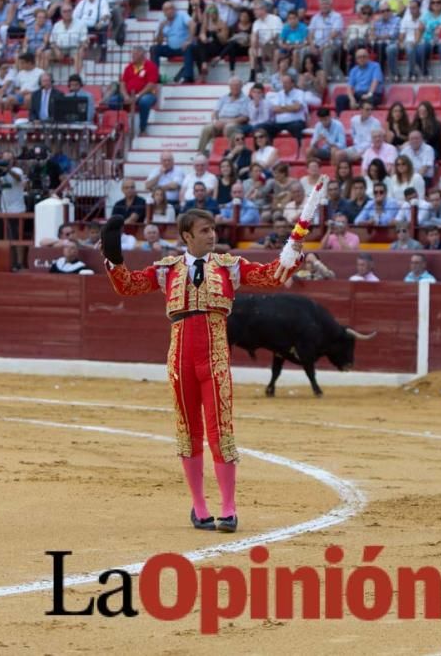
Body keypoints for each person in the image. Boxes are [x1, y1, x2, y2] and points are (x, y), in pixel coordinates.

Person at [98, 209, 304, 534]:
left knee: (220, 431)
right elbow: (129, 286)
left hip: (215, 358)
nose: (212, 235)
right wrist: (113, 255)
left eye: (214, 229)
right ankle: (200, 507)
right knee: (188, 432)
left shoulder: (229, 266)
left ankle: (229, 508)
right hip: (179, 359)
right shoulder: (167, 269)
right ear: (187, 236)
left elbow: (272, 275)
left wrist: (292, 254)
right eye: (205, 230)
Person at [197, 77, 250, 154]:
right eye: (233, 85)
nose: (235, 87)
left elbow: (245, 118)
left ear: (241, 86)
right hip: (220, 122)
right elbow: (215, 112)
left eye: (237, 85)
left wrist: (226, 122)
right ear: (229, 87)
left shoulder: (246, 99)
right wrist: (215, 121)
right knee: (207, 128)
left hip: (235, 123)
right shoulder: (223, 98)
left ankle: (230, 153)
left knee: (229, 127)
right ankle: (200, 153)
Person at [115, 46, 159, 135]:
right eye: (132, 54)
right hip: (129, 95)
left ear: (142, 54)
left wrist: (137, 96)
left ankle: (142, 129)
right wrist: (125, 96)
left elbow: (151, 85)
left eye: (135, 54)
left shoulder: (151, 66)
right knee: (113, 101)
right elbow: (122, 84)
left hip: (147, 94)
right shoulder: (128, 67)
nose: (132, 56)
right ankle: (121, 127)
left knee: (144, 101)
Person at [337, 49, 384, 113]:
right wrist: (352, 99)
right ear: (356, 60)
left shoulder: (375, 66)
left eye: (364, 56)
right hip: (358, 95)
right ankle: (340, 120)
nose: (362, 59)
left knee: (368, 100)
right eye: (359, 57)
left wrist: (369, 94)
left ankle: (358, 106)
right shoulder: (353, 70)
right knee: (340, 99)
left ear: (368, 57)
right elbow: (349, 88)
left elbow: (375, 82)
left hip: (372, 95)